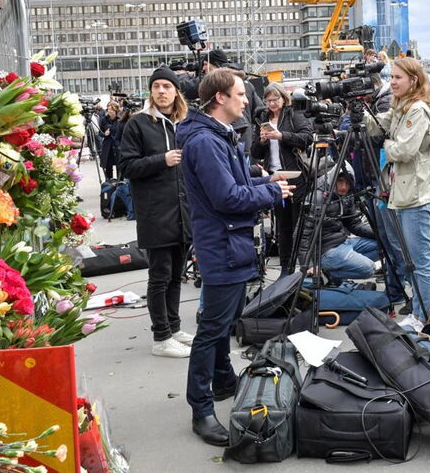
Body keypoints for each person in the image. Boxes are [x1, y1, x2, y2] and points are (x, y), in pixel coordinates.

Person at [177, 68, 294, 446]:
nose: (247, 101)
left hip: (228, 243)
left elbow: (238, 183)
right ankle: (201, 408)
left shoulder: (216, 136)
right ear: (220, 99)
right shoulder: (206, 143)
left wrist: (267, 183)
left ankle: (224, 382)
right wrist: (272, 195)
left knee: (222, 321)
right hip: (222, 245)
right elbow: (227, 198)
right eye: (241, 94)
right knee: (211, 329)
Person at [118, 67, 192, 358]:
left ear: (176, 91)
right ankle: (161, 337)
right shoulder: (138, 124)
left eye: (167, 86)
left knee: (176, 275)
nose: (162, 91)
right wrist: (161, 160)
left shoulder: (182, 123)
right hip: (155, 210)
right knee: (159, 275)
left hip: (182, 211)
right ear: (151, 91)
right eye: (157, 86)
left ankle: (173, 328)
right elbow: (126, 166)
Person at [365, 57, 430, 324]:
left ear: (414, 80)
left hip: (416, 194)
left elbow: (405, 151)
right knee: (409, 258)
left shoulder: (417, 109)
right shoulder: (401, 107)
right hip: (404, 192)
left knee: (419, 260)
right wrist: (357, 108)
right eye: (392, 77)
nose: (393, 82)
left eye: (398, 77)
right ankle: (420, 310)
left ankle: (423, 316)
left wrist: (387, 144)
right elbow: (377, 123)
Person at [251, 82, 313, 277]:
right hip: (275, 176)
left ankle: (302, 266)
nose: (271, 104)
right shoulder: (262, 118)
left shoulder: (293, 114)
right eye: (268, 100)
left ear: (283, 98)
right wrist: (261, 140)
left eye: (275, 99)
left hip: (295, 174)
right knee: (282, 226)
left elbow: (307, 137)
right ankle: (286, 268)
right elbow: (255, 152)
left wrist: (281, 136)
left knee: (298, 224)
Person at [295, 165, 379, 283]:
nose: (344, 187)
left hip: (343, 243)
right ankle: (328, 273)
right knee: (369, 269)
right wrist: (308, 267)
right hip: (325, 251)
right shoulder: (318, 198)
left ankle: (340, 269)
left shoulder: (347, 195)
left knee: (383, 245)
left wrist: (380, 233)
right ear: (332, 179)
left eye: (347, 182)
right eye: (340, 181)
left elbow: (354, 224)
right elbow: (301, 236)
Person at [99, 101, 124, 180]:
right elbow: (100, 132)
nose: (109, 111)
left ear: (116, 110)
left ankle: (120, 183)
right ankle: (109, 183)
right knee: (108, 165)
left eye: (111, 110)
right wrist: (104, 134)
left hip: (117, 145)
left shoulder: (120, 119)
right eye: (108, 109)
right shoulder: (104, 119)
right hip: (108, 145)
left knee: (119, 165)